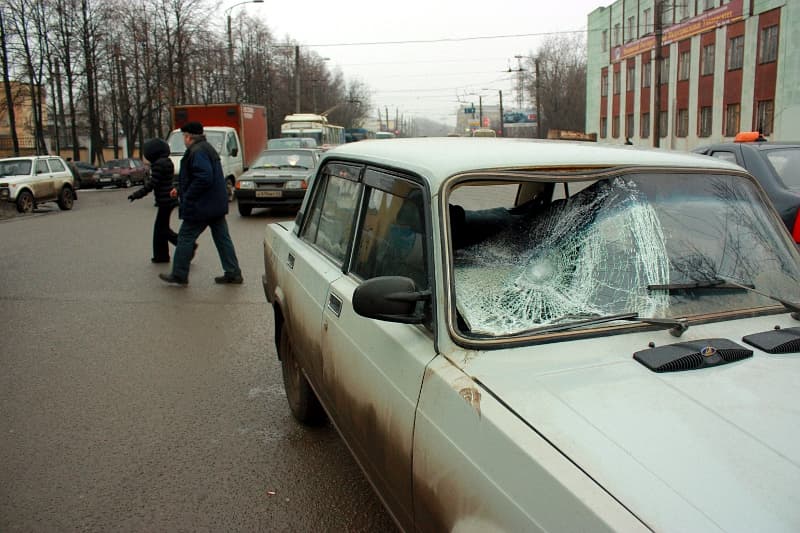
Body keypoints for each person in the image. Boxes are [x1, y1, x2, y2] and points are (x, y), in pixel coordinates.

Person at [158, 121, 243, 286]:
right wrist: (181, 189)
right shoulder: (206, 148)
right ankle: (233, 272)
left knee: (185, 237)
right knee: (222, 238)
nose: (184, 139)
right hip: (215, 204)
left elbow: (204, 177)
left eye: (184, 136)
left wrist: (188, 195)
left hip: (202, 206)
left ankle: (179, 274)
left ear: (189, 137)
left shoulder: (197, 152)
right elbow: (198, 176)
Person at [127, 138, 181, 263]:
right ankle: (161, 256)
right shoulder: (167, 161)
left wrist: (137, 194)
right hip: (168, 199)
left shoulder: (158, 164)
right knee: (160, 229)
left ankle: (185, 247)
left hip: (165, 200)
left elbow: (152, 184)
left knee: (162, 229)